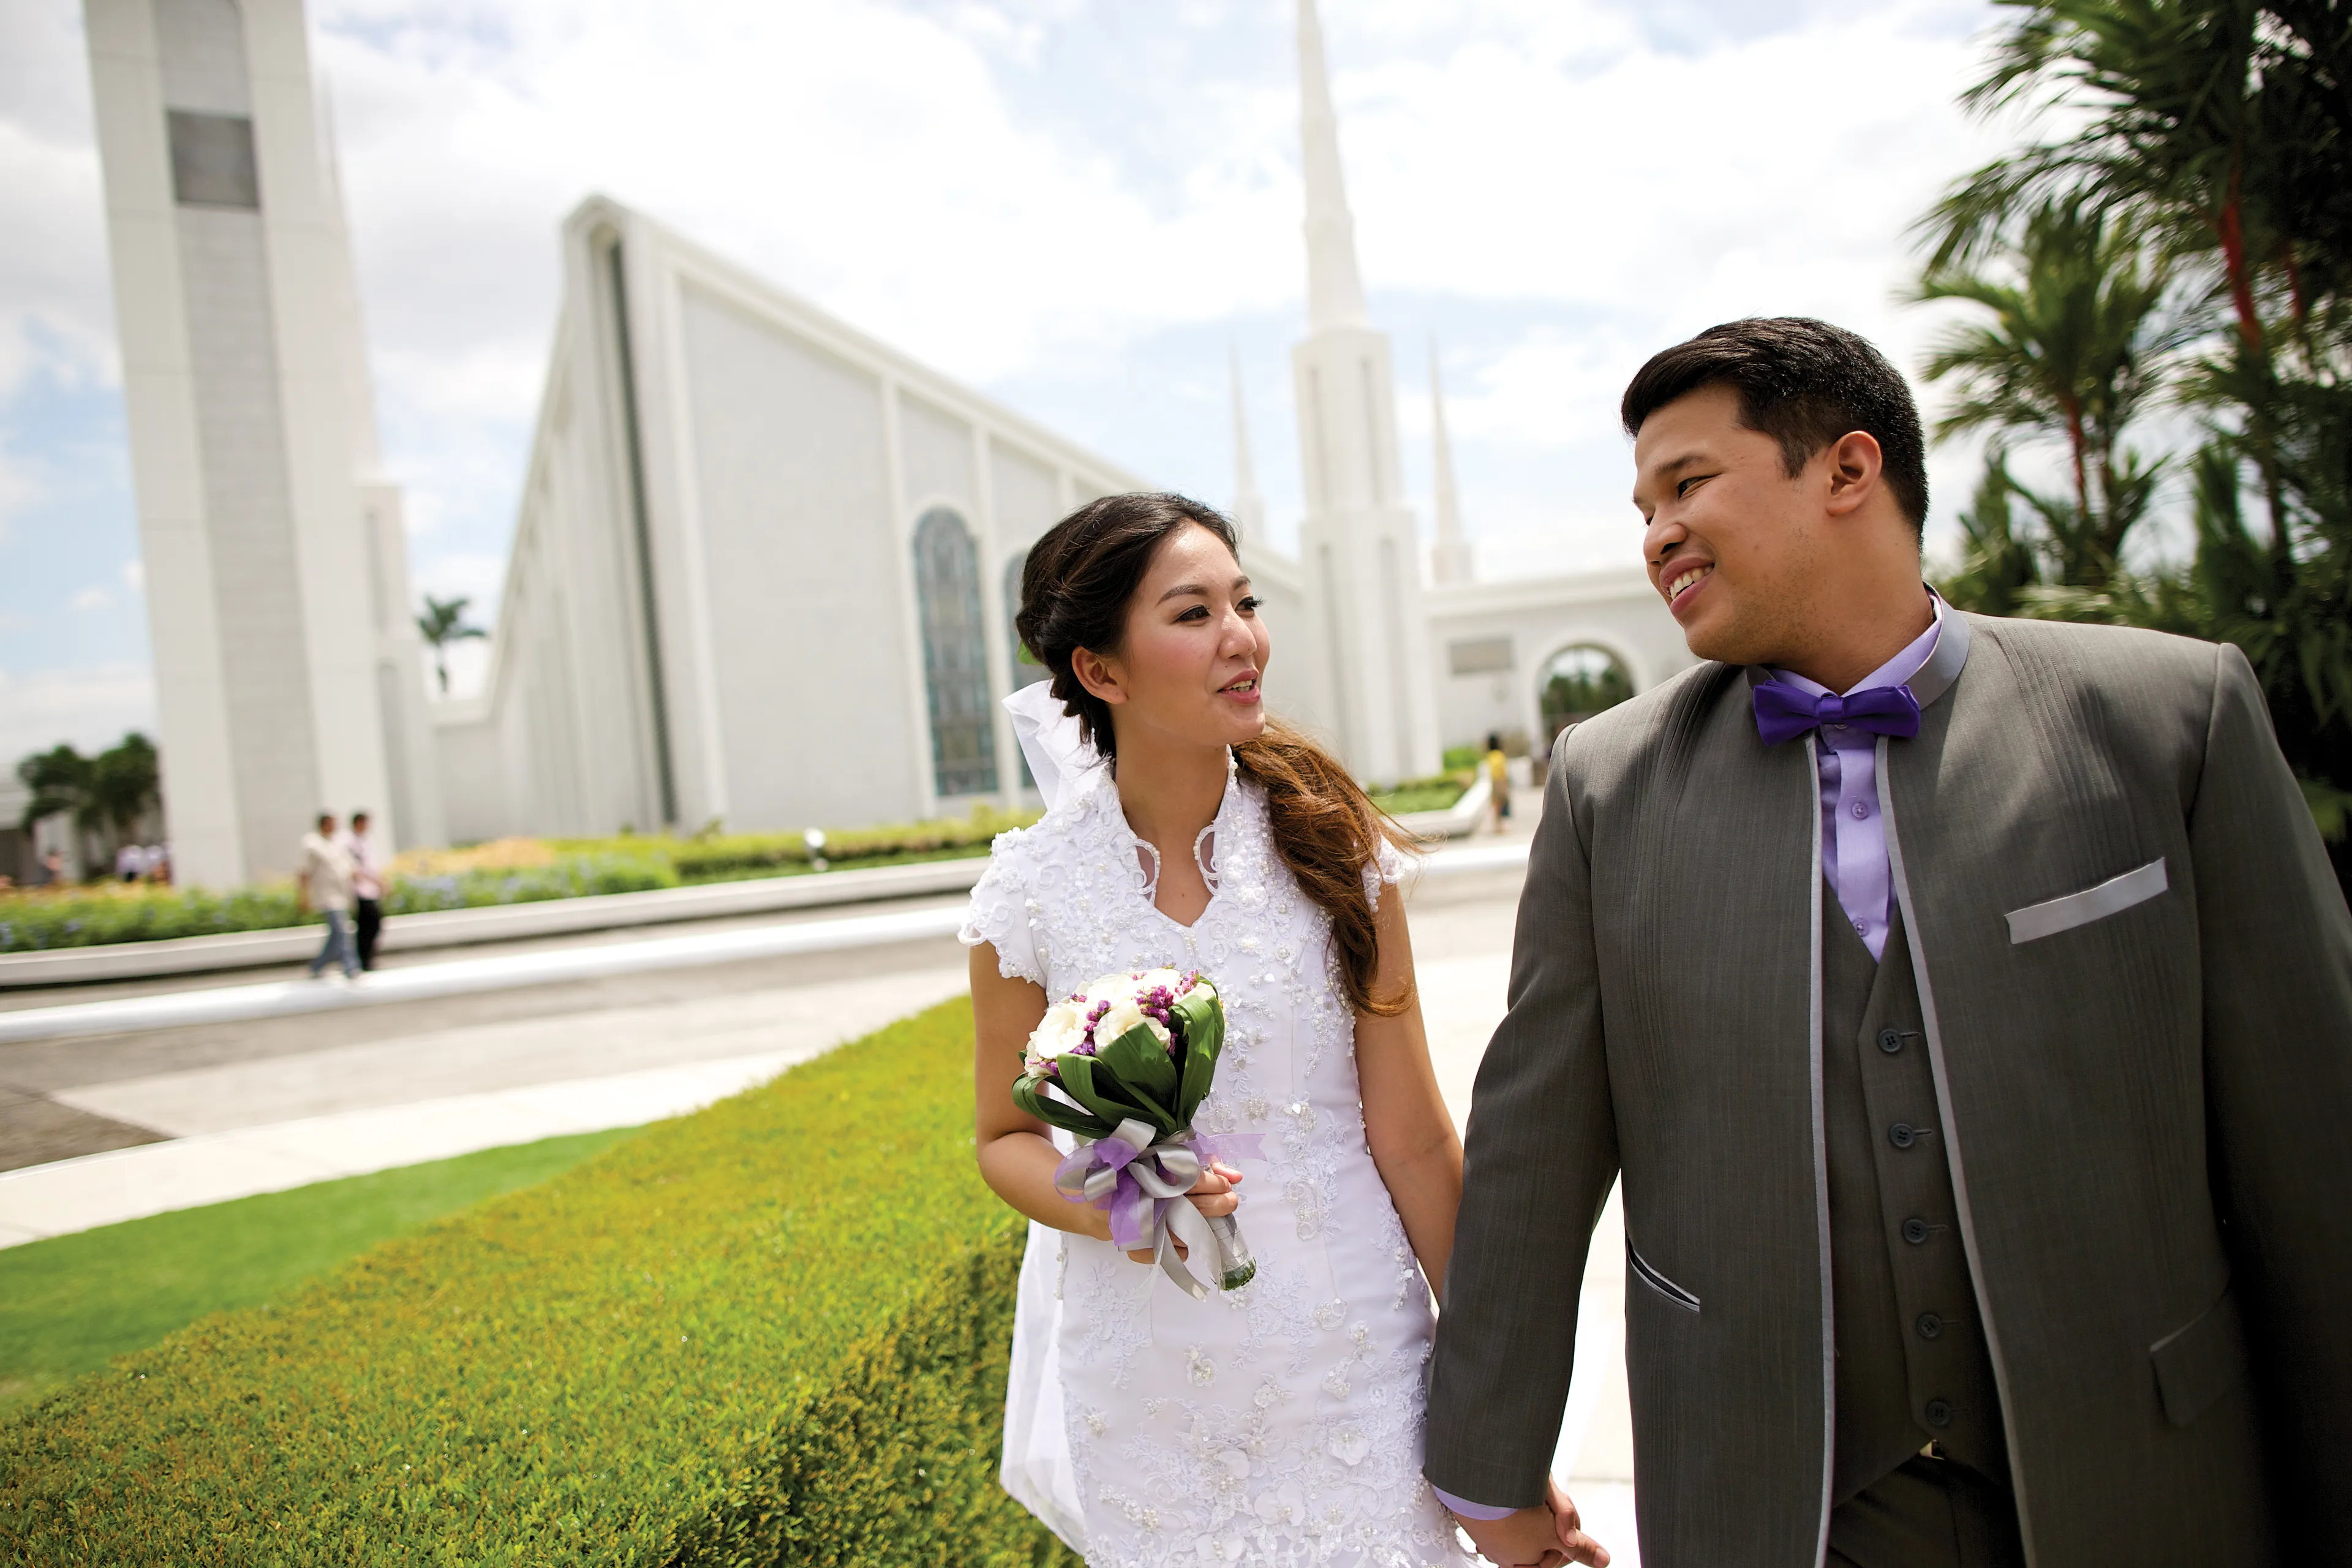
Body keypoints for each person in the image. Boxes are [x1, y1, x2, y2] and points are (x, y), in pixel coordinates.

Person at [1423, 317, 2352, 1567]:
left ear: (1849, 470)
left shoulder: (2165, 717)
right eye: (1643, 503)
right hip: (1782, 1499)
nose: (1655, 534)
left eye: (1688, 483)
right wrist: (1490, 1467)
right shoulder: (1611, 784)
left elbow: (2313, 1139)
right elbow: (1536, 1145)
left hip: (2146, 1466)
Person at [963, 492, 1476, 1566]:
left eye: (1243, 603)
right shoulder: (1028, 894)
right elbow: (1004, 1139)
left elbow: (1417, 1139)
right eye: (1194, 615)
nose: (1243, 638)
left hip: (1355, 1366)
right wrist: (1123, 1199)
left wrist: (1498, 1402)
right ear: (1101, 672)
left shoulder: (1335, 852)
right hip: (1152, 1392)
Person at [297, 812, 360, 981]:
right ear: (324, 824)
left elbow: (349, 867)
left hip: (342, 895)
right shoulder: (312, 844)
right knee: (342, 930)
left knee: (337, 934)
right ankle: (351, 968)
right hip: (326, 896)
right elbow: (304, 872)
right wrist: (303, 897)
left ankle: (317, 966)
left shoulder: (336, 843)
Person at [342, 810, 385, 971]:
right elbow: (356, 868)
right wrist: (376, 882)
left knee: (369, 925)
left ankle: (365, 959)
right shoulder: (349, 841)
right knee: (371, 923)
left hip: (369, 889)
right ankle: (361, 960)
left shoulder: (365, 840)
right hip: (359, 890)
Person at [1483, 731, 1510, 831]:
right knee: (1500, 805)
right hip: (1500, 782)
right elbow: (1503, 771)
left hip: (1494, 782)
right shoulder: (1499, 755)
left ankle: (1497, 826)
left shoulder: (1490, 756)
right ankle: (1499, 827)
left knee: (1496, 805)